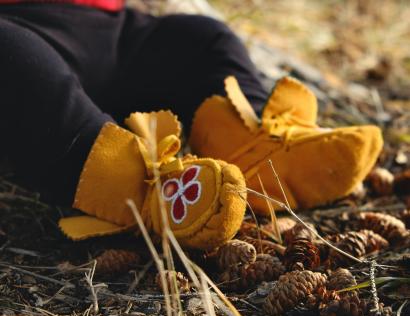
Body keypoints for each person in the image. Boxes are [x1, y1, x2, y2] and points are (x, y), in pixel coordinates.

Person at [0, 0, 383, 250]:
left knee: (203, 37)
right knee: (14, 60)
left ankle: (257, 150)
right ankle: (141, 193)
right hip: (15, 28)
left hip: (110, 28)